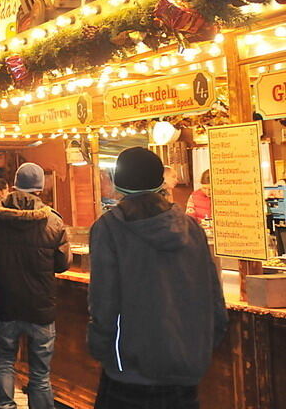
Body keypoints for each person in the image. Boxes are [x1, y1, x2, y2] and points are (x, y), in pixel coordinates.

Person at [89, 147, 227, 408]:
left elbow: (103, 301)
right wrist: (202, 344)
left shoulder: (109, 228)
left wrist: (101, 349)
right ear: (159, 181)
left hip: (129, 369)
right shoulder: (191, 227)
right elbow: (213, 296)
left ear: (118, 182)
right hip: (184, 366)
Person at [0, 162, 71, 409]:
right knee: (40, 374)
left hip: (5, 301)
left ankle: (6, 405)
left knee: (4, 362)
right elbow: (63, 263)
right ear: (39, 189)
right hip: (40, 306)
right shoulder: (53, 221)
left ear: (14, 185)